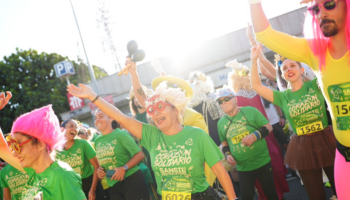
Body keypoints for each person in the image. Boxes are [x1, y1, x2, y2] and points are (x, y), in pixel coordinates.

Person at [67, 81, 237, 200]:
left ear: (175, 109)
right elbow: (120, 116)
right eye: (152, 110)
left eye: (160, 107)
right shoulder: (151, 135)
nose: (155, 113)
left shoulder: (197, 135)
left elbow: (220, 170)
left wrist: (233, 199)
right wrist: (92, 96)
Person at [249, 1, 350, 198]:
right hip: (342, 153)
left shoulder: (313, 84)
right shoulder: (317, 54)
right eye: (315, 9)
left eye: (329, 4)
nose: (321, 13)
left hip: (326, 140)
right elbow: (265, 34)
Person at [250, 44, 337, 200]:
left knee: (341, 189)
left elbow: (325, 64)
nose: (289, 69)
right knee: (316, 195)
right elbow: (256, 85)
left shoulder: (316, 85)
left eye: (292, 65)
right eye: (284, 68)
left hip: (327, 141)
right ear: (282, 75)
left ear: (301, 69)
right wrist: (254, 60)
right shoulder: (282, 97)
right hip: (302, 147)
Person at [226, 59, 289, 199]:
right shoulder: (258, 91)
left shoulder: (236, 99)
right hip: (266, 134)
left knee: (259, 172)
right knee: (273, 164)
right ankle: (277, 194)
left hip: (252, 140)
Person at [2, 100, 86, 199]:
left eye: (18, 146)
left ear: (40, 144)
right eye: (12, 147)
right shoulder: (34, 170)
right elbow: (2, 148)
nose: (15, 154)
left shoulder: (63, 176)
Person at [217, 86, 279, 200]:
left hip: (262, 162)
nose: (223, 103)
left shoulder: (250, 111)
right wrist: (227, 155)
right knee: (246, 197)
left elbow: (269, 127)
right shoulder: (221, 123)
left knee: (271, 194)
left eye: (226, 99)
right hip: (243, 168)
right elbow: (224, 143)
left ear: (235, 99)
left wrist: (255, 135)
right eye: (220, 101)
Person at [94, 108, 150, 200]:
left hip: (131, 180)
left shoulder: (121, 134)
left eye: (101, 116)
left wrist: (124, 168)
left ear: (111, 118)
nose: (97, 120)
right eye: (96, 118)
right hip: (112, 184)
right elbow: (104, 163)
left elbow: (140, 155)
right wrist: (100, 171)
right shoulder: (97, 141)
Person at [58, 119, 104, 200]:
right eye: (71, 126)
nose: (74, 129)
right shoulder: (57, 150)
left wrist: (93, 190)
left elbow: (97, 166)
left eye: (76, 127)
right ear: (62, 129)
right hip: (74, 187)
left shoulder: (83, 144)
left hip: (91, 183)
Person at [188, 71, 225, 146]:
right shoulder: (189, 105)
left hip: (218, 145)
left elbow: (223, 121)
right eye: (191, 82)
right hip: (200, 146)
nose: (194, 84)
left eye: (196, 82)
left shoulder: (212, 98)